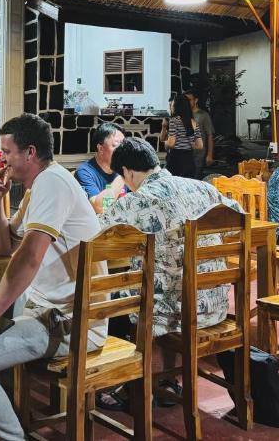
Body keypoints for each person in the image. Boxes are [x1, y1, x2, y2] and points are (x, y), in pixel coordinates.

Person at [0, 113, 107, 440]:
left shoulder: (53, 182)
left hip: (73, 323)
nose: (2, 159)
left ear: (29, 152)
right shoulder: (40, 185)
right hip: (50, 314)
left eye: (7, 151)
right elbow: (7, 248)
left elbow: (29, 257)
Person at [98, 137, 243, 407]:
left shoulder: (136, 202)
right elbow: (239, 219)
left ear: (127, 172)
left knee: (112, 297)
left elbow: (94, 236)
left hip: (173, 315)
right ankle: (165, 379)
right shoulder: (202, 188)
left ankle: (125, 385)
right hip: (216, 306)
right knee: (161, 282)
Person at [74, 122, 126, 213]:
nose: (122, 150)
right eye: (117, 146)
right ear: (100, 148)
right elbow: (99, 208)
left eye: (124, 146)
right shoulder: (84, 172)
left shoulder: (124, 169)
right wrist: (124, 174)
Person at [159, 94, 203, 179]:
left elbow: (171, 143)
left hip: (176, 160)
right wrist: (189, 143)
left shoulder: (174, 120)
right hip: (189, 160)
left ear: (177, 106)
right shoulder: (193, 122)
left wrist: (165, 143)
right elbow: (200, 145)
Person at [184, 89, 215, 176]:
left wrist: (209, 155)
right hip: (186, 154)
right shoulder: (184, 114)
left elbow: (209, 135)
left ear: (196, 100)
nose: (187, 102)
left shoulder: (203, 115)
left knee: (196, 179)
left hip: (199, 155)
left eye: (189, 100)